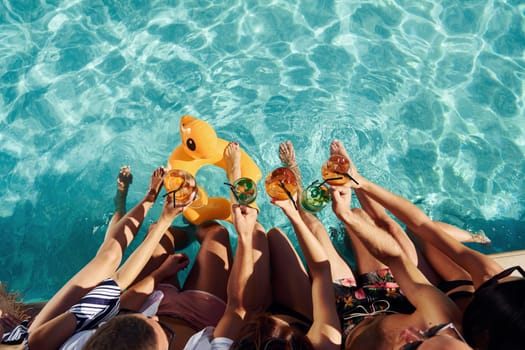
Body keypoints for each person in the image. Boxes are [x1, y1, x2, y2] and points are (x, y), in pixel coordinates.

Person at [331, 139, 524, 349]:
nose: (499, 279)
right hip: (433, 296)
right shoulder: (491, 279)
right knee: (395, 229)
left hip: (425, 304)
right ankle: (475, 237)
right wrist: (360, 182)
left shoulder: (447, 333)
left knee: (384, 229)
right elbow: (422, 225)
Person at [278, 141, 469, 350]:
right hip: (389, 296)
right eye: (430, 332)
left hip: (346, 318)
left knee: (316, 230)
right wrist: (347, 215)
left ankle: (292, 171)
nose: (412, 333)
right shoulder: (443, 318)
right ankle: (352, 177)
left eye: (411, 348)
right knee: (360, 217)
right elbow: (395, 257)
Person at [24, 166, 196, 350]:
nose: (154, 317)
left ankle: (133, 200)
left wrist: (163, 215)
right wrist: (164, 222)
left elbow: (118, 281)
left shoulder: (45, 341)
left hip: (40, 342)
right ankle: (131, 206)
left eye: (144, 320)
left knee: (109, 256)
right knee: (111, 257)